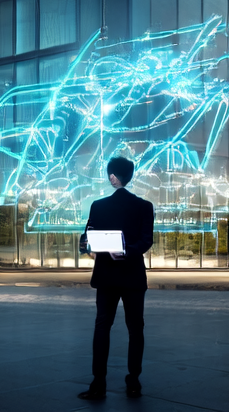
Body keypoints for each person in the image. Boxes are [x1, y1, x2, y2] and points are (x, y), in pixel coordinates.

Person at [77, 157, 155, 401]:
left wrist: (86, 246)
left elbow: (86, 239)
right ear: (129, 177)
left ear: (113, 176)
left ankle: (98, 383)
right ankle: (133, 382)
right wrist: (127, 252)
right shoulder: (145, 206)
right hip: (132, 274)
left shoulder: (98, 206)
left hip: (106, 276)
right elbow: (146, 240)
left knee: (102, 327)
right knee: (136, 329)